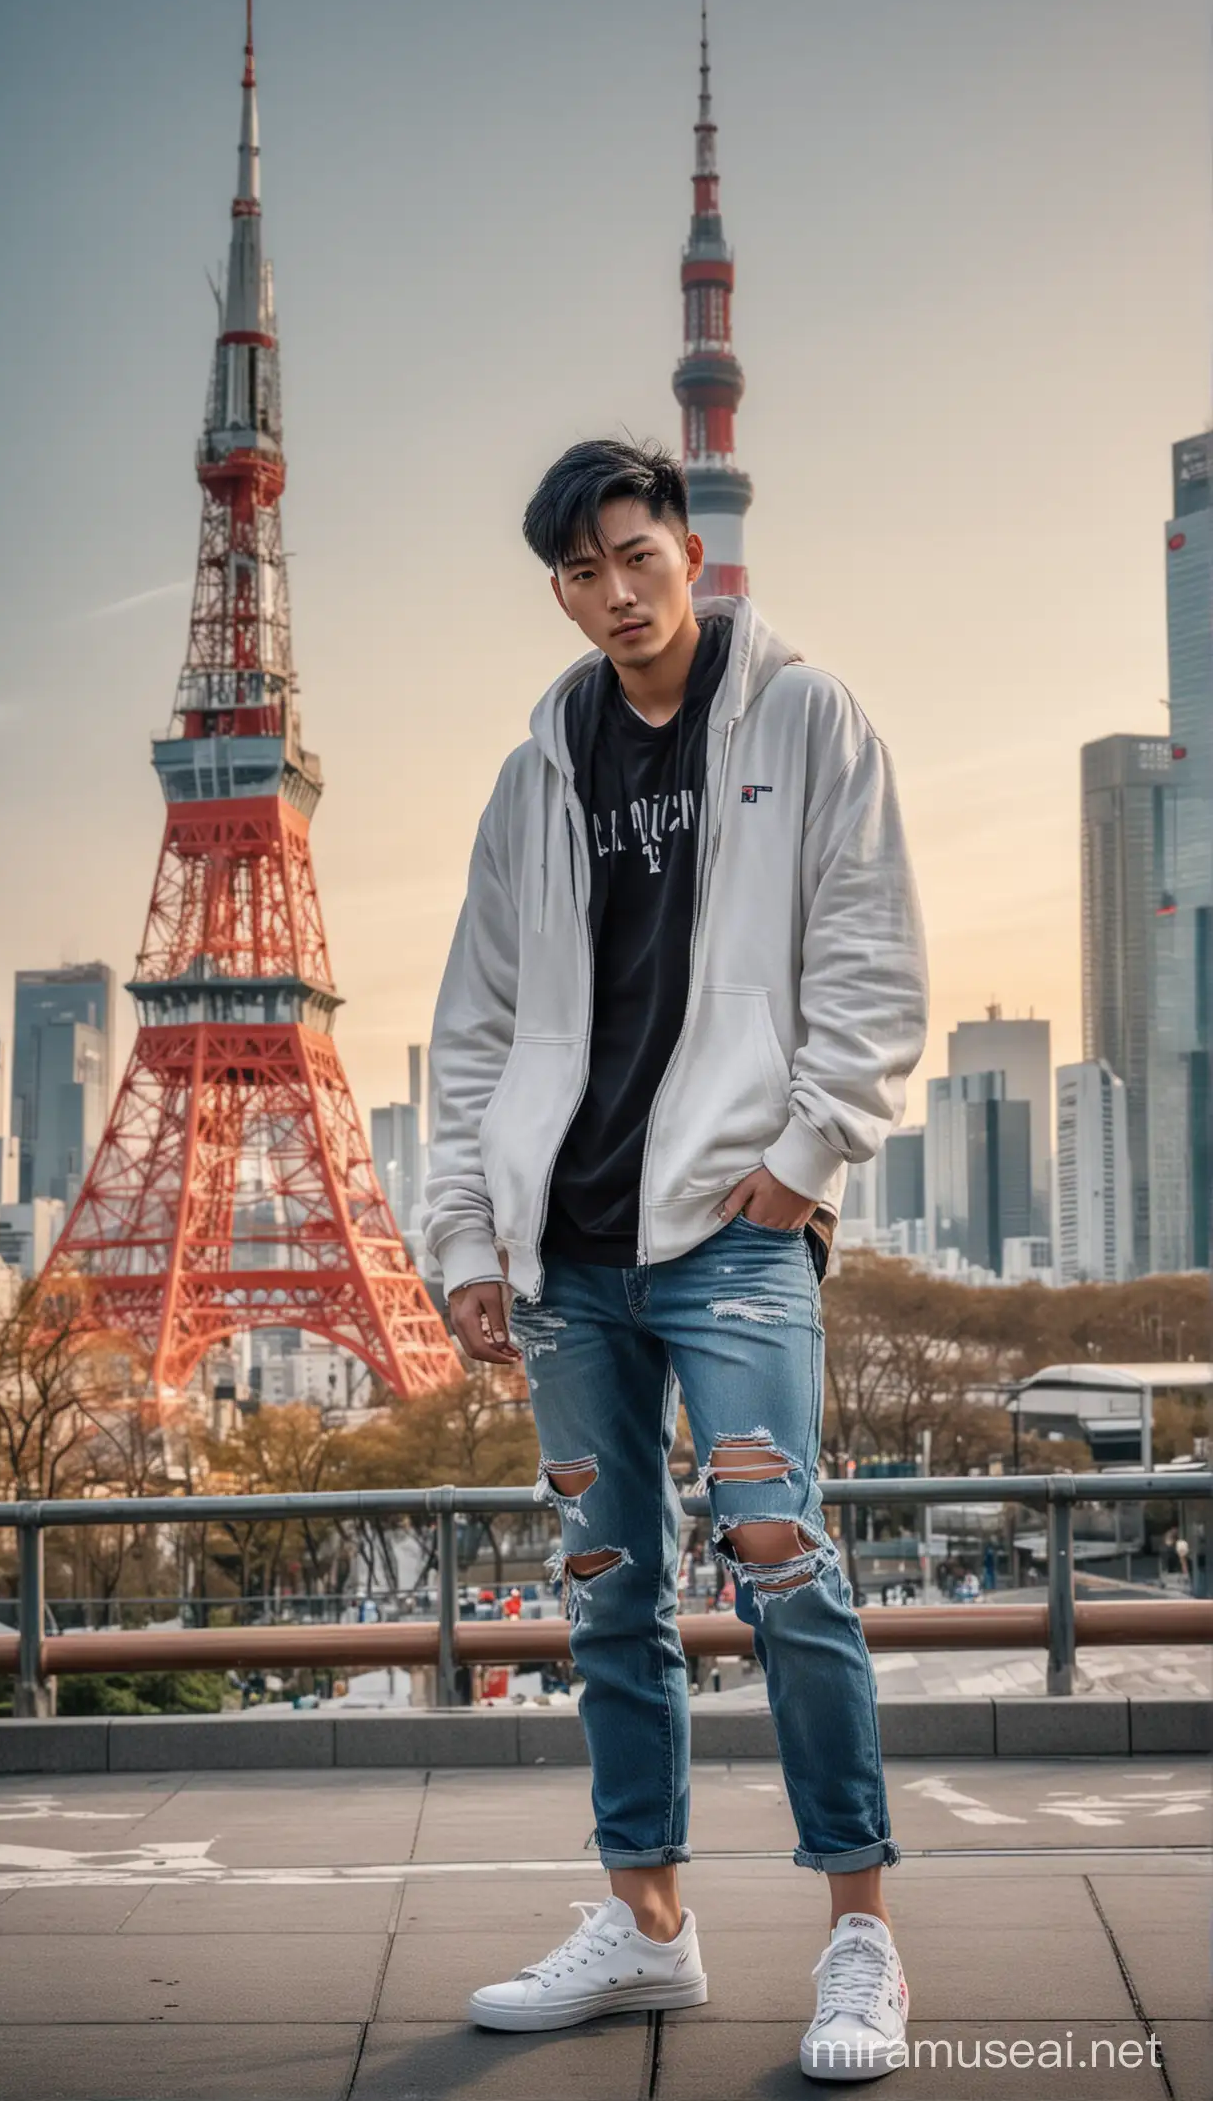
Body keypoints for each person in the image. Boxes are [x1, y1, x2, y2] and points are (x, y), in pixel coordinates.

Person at [424, 438, 927, 2081]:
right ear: (558, 591)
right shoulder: (538, 774)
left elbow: (868, 960)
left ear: (691, 551)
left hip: (730, 1240)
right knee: (607, 1597)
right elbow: (476, 1027)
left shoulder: (804, 721)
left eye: (637, 556)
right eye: (581, 575)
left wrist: (795, 1173)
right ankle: (646, 1928)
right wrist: (466, 1237)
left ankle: (861, 1937)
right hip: (568, 1255)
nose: (616, 596)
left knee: (788, 1572)